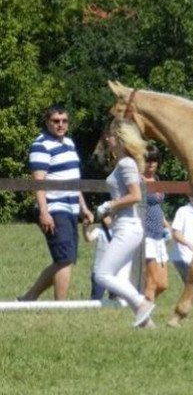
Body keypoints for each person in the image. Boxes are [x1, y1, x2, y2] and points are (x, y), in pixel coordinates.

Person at [19, 105, 94, 301]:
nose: (61, 125)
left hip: (71, 207)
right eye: (56, 121)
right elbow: (39, 182)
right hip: (53, 207)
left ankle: (29, 297)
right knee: (64, 259)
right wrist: (44, 212)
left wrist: (84, 208)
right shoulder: (41, 145)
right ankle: (61, 306)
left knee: (65, 259)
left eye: (64, 121)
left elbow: (73, 180)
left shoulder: (69, 143)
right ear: (47, 122)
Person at [94, 119, 155, 328]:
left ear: (118, 138)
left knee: (102, 274)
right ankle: (146, 323)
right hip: (125, 225)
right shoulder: (124, 163)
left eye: (109, 136)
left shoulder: (126, 164)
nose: (107, 139)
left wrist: (110, 205)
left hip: (128, 227)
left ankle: (142, 303)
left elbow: (136, 196)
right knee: (120, 278)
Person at [142, 145, 170, 302]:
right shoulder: (138, 180)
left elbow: (158, 206)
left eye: (155, 160)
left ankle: (141, 301)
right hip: (146, 235)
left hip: (159, 234)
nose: (151, 163)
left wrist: (167, 225)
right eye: (148, 160)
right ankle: (145, 313)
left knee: (163, 284)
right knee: (152, 282)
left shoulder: (157, 179)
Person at [81, 213, 132, 301]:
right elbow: (88, 238)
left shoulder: (119, 231)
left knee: (116, 299)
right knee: (96, 298)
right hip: (98, 270)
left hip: (115, 272)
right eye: (105, 216)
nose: (108, 219)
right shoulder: (98, 230)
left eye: (110, 216)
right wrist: (84, 229)